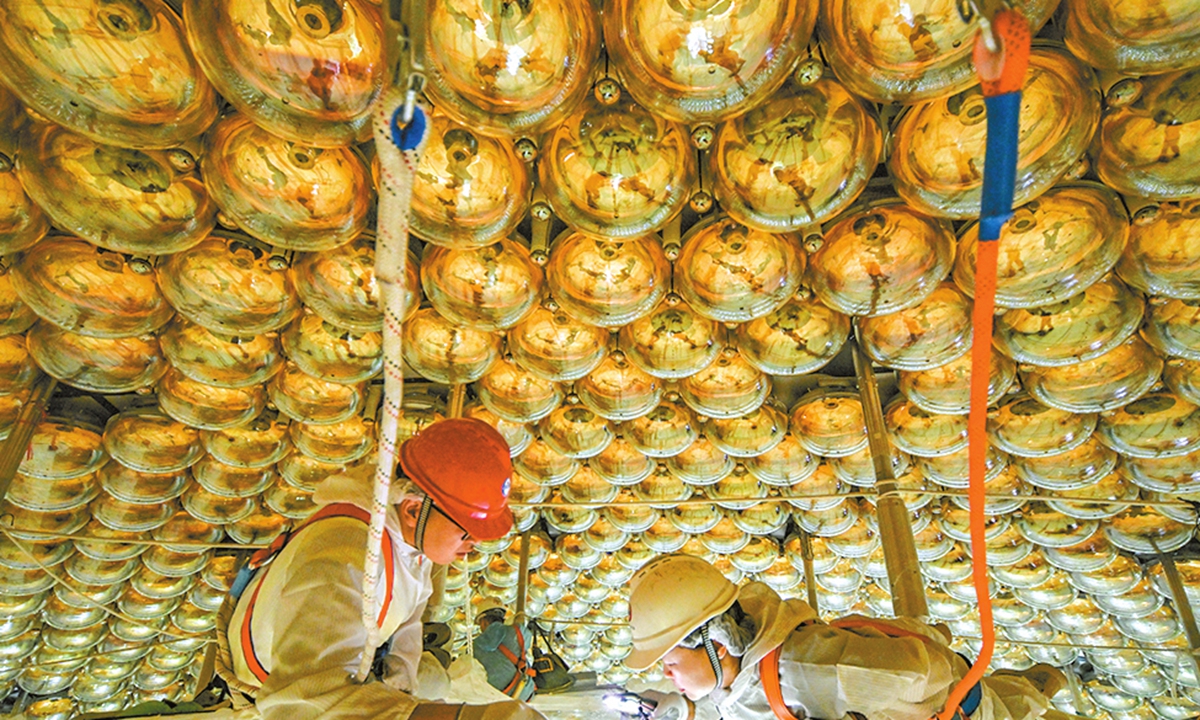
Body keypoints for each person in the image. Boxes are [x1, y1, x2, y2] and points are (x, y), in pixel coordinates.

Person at [200, 418, 546, 720]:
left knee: (434, 681)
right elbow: (303, 705)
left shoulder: (411, 542)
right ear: (413, 509)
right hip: (272, 688)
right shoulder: (344, 554)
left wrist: (402, 692)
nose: (474, 544)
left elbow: (407, 626)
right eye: (467, 530)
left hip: (342, 670)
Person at [625, 554, 1068, 720]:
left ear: (717, 644)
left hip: (954, 706)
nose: (666, 675)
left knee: (1016, 704)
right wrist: (679, 706)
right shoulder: (735, 675)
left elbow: (922, 669)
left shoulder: (809, 669)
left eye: (669, 661)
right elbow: (733, 698)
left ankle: (1039, 683)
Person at [472, 599, 537, 701]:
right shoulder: (520, 632)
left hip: (499, 697)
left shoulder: (477, 645)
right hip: (525, 691)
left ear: (483, 622)